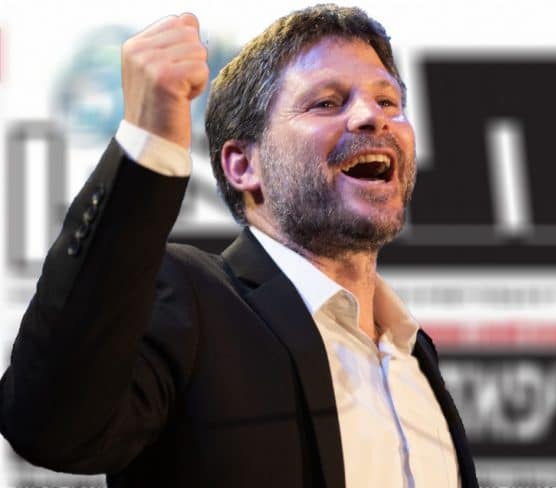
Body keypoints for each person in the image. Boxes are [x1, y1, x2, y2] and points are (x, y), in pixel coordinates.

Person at [0, 4, 478, 487]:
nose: (373, 117)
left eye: (388, 101)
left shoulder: (414, 352)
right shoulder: (189, 301)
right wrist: (148, 142)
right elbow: (51, 424)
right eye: (327, 102)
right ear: (243, 166)